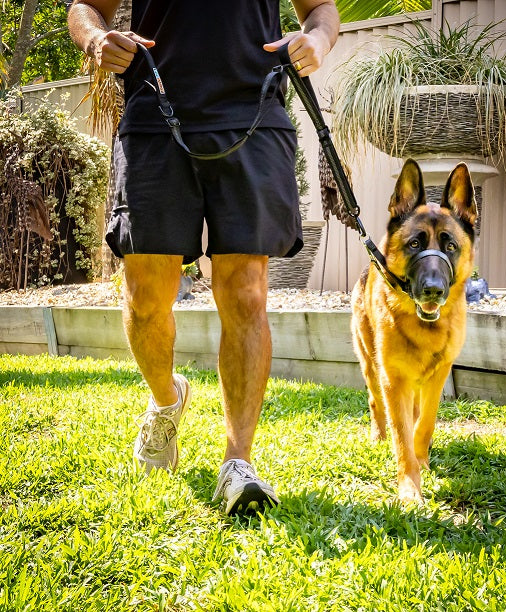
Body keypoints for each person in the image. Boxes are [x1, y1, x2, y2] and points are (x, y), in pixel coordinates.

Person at [67, 0, 340, 514]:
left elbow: (321, 8)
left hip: (254, 112)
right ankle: (167, 401)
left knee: (246, 292)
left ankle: (238, 462)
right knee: (146, 296)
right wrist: (96, 40)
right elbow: (86, 8)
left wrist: (318, 40)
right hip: (154, 110)